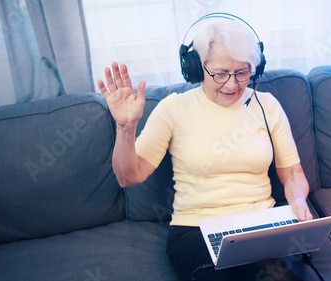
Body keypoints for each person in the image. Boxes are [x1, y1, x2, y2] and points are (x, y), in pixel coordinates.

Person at [98, 17, 313, 281]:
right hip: (196, 230)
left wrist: (298, 201)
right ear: (198, 68)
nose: (232, 85)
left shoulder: (267, 106)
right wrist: (125, 128)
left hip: (260, 224)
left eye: (242, 73)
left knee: (280, 276)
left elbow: (292, 172)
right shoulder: (173, 108)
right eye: (221, 73)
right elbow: (127, 177)